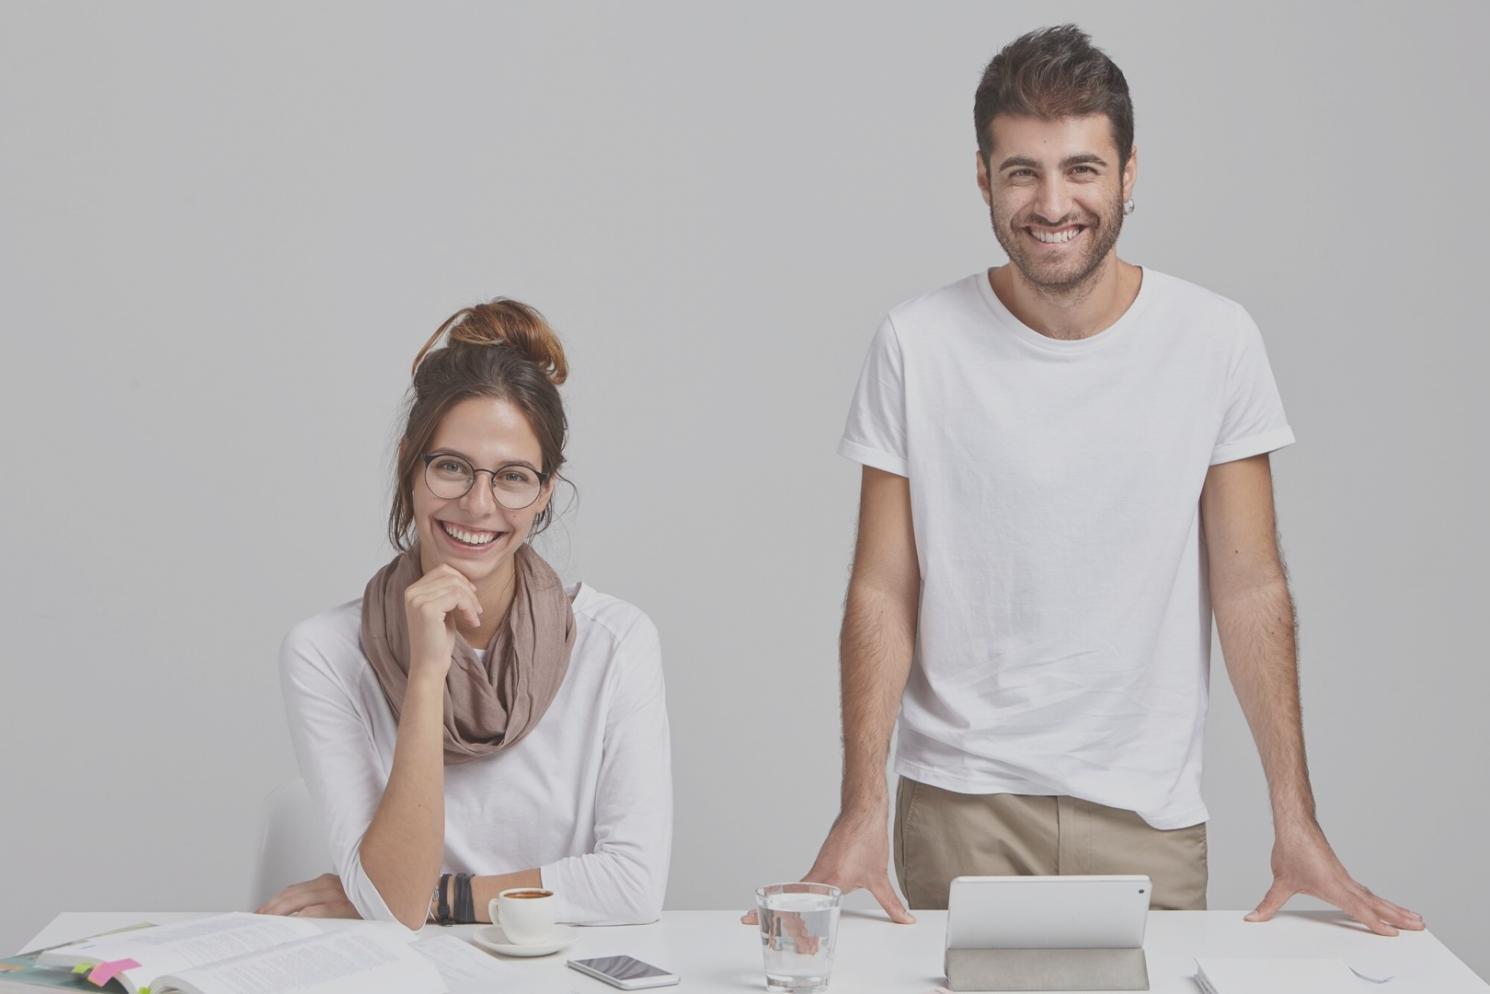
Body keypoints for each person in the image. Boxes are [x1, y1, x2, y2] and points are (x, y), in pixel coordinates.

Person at [778, 25, 1422, 935]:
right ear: (982, 178)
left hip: (1146, 812)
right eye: (1023, 172)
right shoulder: (916, 343)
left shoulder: (1214, 340)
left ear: (1128, 173)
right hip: (962, 804)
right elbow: (882, 587)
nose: (1053, 204)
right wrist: (859, 806)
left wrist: (1296, 819)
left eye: (1082, 169)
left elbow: (1250, 587)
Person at [257, 299, 672, 929]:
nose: (478, 505)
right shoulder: (325, 651)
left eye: (513, 477)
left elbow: (631, 887)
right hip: (405, 972)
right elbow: (394, 906)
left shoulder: (614, 642)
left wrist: (440, 898)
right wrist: (427, 674)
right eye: (451, 467)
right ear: (409, 464)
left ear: (545, 492)